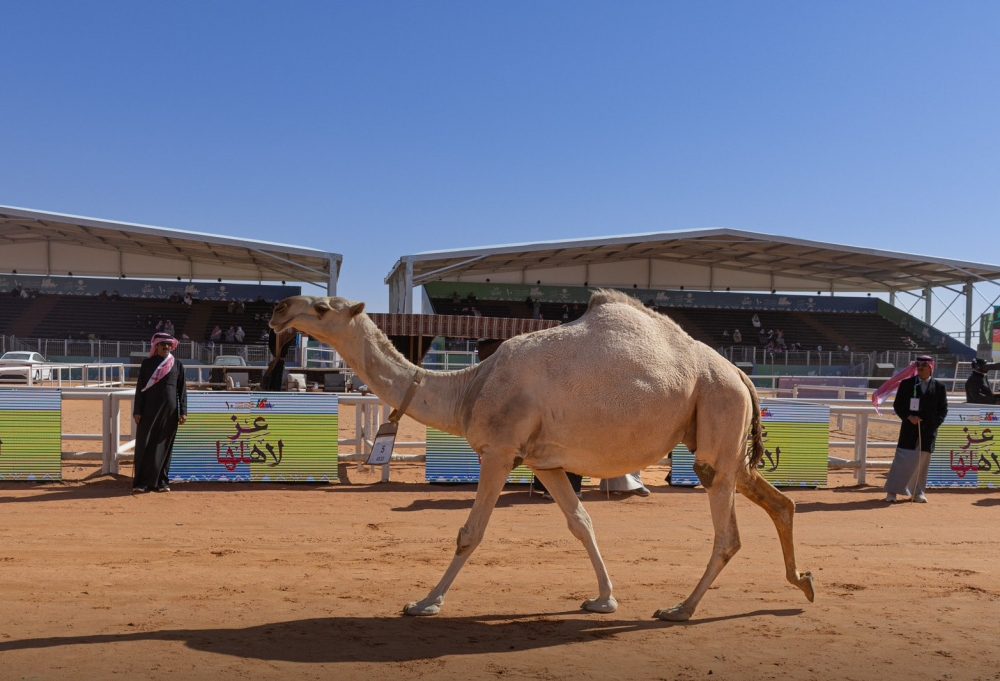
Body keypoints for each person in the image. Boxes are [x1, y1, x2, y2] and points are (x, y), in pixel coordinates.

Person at [876, 355, 948, 503]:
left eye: (923, 365)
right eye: (918, 365)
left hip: (928, 431)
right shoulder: (907, 384)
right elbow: (898, 405)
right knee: (902, 460)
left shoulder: (940, 387)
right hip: (909, 429)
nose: (920, 368)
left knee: (922, 463)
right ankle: (892, 492)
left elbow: (943, 409)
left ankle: (918, 492)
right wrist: (909, 417)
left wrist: (935, 424)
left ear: (930, 367)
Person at [132, 332, 187, 493]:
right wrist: (137, 410)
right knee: (145, 445)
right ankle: (141, 482)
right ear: (156, 346)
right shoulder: (147, 364)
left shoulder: (177, 364)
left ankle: (162, 482)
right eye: (163, 344)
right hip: (148, 412)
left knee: (164, 446)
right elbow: (139, 390)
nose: (166, 347)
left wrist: (183, 411)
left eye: (169, 344)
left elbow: (181, 390)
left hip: (169, 413)